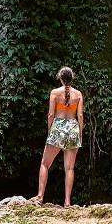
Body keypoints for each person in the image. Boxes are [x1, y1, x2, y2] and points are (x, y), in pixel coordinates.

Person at [30, 66, 84, 207]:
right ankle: (67, 202)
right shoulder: (78, 94)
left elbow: (50, 114)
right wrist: (80, 133)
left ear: (60, 78)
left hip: (57, 128)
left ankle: (40, 197)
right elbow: (79, 115)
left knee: (45, 164)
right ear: (72, 78)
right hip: (73, 129)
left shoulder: (54, 92)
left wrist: (50, 131)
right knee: (69, 168)